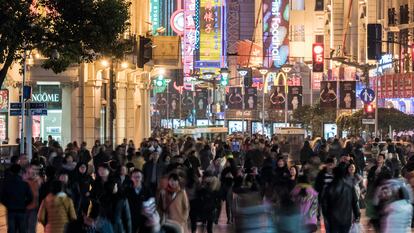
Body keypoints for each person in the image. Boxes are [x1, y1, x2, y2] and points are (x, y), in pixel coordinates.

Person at [321, 166, 360, 233]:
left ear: (333, 174)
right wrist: (357, 215)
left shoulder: (329, 187)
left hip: (333, 218)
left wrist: (326, 215)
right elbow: (355, 202)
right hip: (346, 218)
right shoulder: (350, 186)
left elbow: (324, 204)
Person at [1, 164, 33, 233]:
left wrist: (8, 204)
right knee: (22, 230)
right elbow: (30, 197)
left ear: (11, 172)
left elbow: (2, 197)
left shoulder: (6, 183)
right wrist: (24, 204)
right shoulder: (24, 184)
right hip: (21, 210)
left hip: (11, 210)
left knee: (11, 230)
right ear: (20, 172)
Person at [126, 169, 152, 233]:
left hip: (144, 218)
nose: (136, 179)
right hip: (131, 217)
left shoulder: (147, 190)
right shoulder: (127, 190)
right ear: (131, 178)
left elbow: (151, 204)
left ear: (142, 178)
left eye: (138, 177)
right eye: (134, 177)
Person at [24, 164, 42, 233]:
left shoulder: (39, 180)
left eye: (34, 171)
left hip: (34, 208)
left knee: (32, 228)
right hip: (24, 207)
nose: (33, 172)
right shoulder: (23, 180)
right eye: (30, 171)